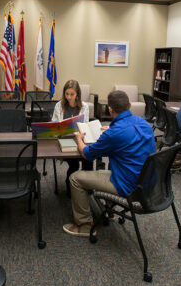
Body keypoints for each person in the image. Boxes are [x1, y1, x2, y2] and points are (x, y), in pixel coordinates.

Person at [62, 90, 155, 237]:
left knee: (75, 178)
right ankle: (110, 210)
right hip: (148, 183)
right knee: (112, 165)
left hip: (128, 185)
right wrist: (112, 130)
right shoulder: (144, 123)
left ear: (110, 109)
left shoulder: (114, 133)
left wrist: (79, 138)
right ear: (129, 105)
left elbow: (87, 154)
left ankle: (85, 225)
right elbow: (130, 136)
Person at [52, 80, 91, 197]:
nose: (69, 97)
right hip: (64, 139)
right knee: (73, 164)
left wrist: (80, 133)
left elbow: (86, 125)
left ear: (77, 94)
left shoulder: (84, 107)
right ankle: (70, 187)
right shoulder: (59, 105)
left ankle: (87, 186)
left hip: (79, 138)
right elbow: (54, 123)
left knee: (88, 160)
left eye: (72, 94)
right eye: (67, 94)